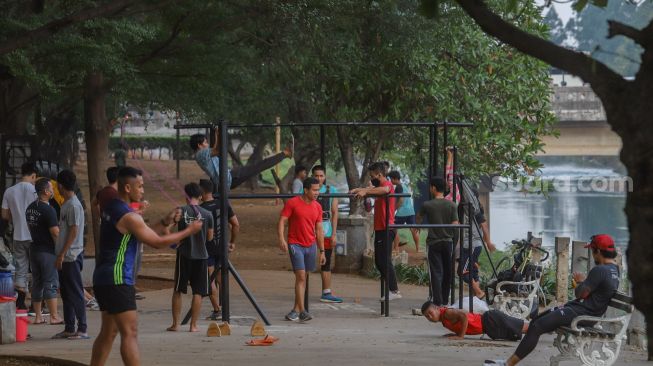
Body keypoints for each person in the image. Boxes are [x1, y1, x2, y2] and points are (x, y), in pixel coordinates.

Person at [90, 167, 203, 366]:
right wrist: (190, 231)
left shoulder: (113, 207)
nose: (143, 191)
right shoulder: (130, 217)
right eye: (140, 186)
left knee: (108, 332)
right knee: (130, 332)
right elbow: (157, 242)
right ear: (127, 187)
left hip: (103, 277)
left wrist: (165, 221)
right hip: (118, 278)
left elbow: (143, 232)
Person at [484, 234, 621, 366]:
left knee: (537, 327)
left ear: (598, 251)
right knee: (536, 322)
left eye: (592, 250)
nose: (592, 254)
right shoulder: (614, 270)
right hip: (585, 312)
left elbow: (580, 294)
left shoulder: (600, 270)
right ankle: (508, 362)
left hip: (581, 314)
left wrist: (580, 282)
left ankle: (508, 364)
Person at [350, 162, 401, 300]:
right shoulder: (379, 187)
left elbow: (384, 191)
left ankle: (394, 290)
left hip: (386, 228)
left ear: (380, 175)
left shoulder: (387, 186)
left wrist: (366, 191)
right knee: (379, 261)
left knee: (384, 260)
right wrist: (358, 189)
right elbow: (374, 190)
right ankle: (391, 289)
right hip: (380, 228)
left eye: (373, 176)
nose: (372, 178)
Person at [278, 177, 326, 321]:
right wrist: (281, 239)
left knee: (304, 278)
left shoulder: (317, 206)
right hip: (295, 244)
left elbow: (319, 229)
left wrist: (322, 251)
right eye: (315, 190)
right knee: (301, 277)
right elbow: (282, 221)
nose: (317, 192)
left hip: (310, 246)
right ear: (306, 190)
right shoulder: (293, 203)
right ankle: (303, 311)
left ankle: (295, 310)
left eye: (318, 190)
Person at [168, 183, 213, 333]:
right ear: (200, 196)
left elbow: (167, 231)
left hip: (184, 255)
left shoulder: (180, 211)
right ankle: (193, 326)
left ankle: (175, 324)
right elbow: (210, 237)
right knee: (198, 292)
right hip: (202, 256)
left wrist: (176, 242)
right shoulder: (207, 214)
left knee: (178, 290)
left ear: (185, 196)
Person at [191, 128, 293, 192]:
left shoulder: (202, 154)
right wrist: (218, 134)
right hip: (229, 178)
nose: (207, 144)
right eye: (205, 142)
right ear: (199, 145)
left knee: (258, 167)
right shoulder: (201, 153)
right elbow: (218, 150)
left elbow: (216, 150)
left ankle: (285, 153)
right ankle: (285, 153)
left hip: (228, 178)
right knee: (259, 166)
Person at [51, 169, 87, 339]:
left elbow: (73, 231)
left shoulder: (73, 205)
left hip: (71, 256)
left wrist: (62, 254)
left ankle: (83, 328)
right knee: (65, 292)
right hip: (64, 255)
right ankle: (69, 327)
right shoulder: (65, 204)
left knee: (76, 292)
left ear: (59, 185)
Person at [199, 179, 240, 320]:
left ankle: (217, 310)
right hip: (222, 248)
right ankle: (224, 308)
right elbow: (235, 224)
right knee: (221, 278)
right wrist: (232, 242)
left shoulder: (201, 209)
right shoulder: (224, 204)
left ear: (202, 191)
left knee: (209, 279)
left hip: (208, 249)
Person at [25, 178, 63, 325]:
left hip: (34, 249)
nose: (53, 190)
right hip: (47, 251)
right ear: (46, 192)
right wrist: (60, 250)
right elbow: (55, 233)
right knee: (50, 283)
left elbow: (30, 227)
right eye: (51, 188)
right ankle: (54, 316)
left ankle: (38, 317)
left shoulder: (30, 208)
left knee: (37, 283)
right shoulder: (49, 209)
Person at [416, 176, 458, 306]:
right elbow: (455, 224)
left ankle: (437, 301)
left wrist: (417, 225)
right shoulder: (451, 205)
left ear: (433, 188)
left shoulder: (427, 205)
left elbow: (418, 218)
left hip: (433, 242)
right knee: (447, 271)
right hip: (448, 242)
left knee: (435, 271)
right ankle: (445, 301)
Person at [1, 161, 37, 309]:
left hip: (18, 236)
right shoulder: (35, 191)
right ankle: (37, 305)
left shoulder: (9, 191)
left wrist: (15, 217)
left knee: (21, 269)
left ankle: (21, 304)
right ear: (34, 175)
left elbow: (4, 215)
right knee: (37, 270)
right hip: (35, 237)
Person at [311, 165, 343, 303]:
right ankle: (302, 290)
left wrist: (334, 233)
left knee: (326, 261)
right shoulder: (306, 190)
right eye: (316, 176)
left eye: (321, 176)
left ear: (325, 176)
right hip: (310, 229)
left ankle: (326, 292)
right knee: (307, 260)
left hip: (327, 230)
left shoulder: (332, 190)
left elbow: (335, 212)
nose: (319, 178)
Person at [421, 301, 527, 341]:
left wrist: (460, 336)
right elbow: (460, 322)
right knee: (520, 330)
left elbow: (463, 316)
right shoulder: (444, 320)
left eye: (430, 312)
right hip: (489, 327)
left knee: (526, 328)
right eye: (427, 316)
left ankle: (542, 325)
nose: (430, 317)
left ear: (437, 308)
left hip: (490, 320)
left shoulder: (447, 313)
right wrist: (456, 333)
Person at [458, 190, 495, 299]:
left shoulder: (475, 211)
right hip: (470, 245)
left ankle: (479, 293)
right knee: (472, 270)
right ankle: (475, 297)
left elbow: (484, 226)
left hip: (472, 245)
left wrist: (488, 242)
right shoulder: (463, 209)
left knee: (463, 271)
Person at [388, 171, 420, 253]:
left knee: (393, 228)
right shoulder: (404, 186)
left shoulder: (398, 187)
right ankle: (418, 249)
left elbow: (401, 200)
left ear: (395, 179)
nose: (390, 180)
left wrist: (394, 209)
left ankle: (396, 248)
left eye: (391, 179)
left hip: (402, 212)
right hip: (411, 211)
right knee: (413, 230)